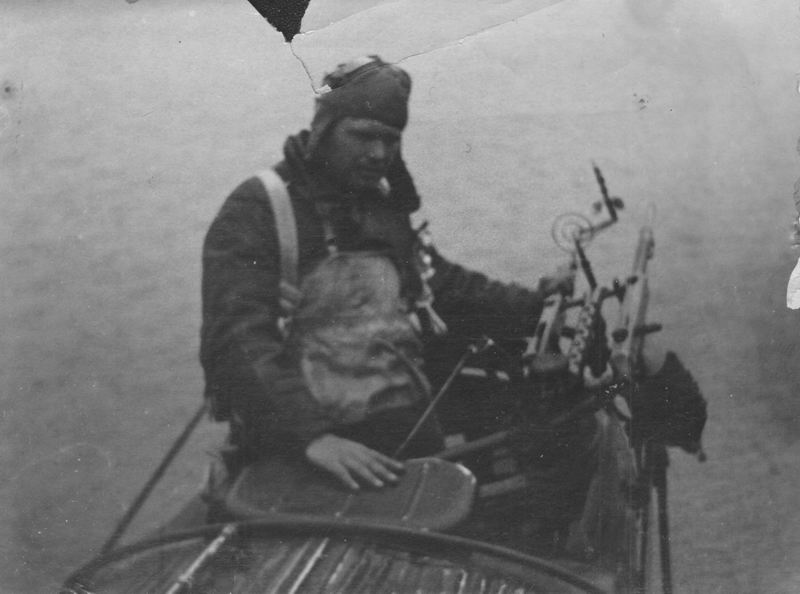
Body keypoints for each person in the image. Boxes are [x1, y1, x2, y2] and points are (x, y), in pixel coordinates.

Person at [199, 55, 573, 492]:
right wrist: (312, 439)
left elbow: (439, 286)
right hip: (306, 453)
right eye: (363, 135)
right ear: (324, 129)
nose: (379, 153)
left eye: (391, 140)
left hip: (403, 431)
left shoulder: (379, 207)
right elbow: (238, 338)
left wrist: (533, 304)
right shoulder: (260, 209)